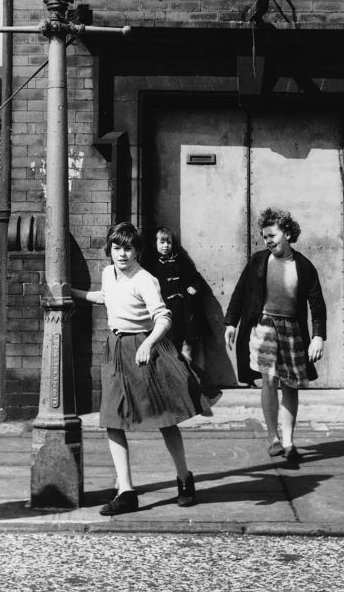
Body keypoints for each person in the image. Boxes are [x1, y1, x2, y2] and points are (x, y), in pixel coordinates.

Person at [71, 221, 213, 516]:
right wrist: (71, 292)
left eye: (128, 248)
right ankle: (126, 491)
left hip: (145, 348)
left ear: (137, 250)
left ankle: (185, 479)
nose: (122, 254)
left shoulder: (145, 279)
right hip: (115, 348)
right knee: (112, 419)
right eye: (116, 248)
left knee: (165, 418)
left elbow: (164, 317)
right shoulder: (108, 273)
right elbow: (105, 298)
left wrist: (148, 344)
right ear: (109, 250)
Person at [224, 208, 326, 465]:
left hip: (292, 329)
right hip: (264, 325)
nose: (268, 241)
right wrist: (231, 323)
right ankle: (273, 439)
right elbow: (240, 292)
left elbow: (317, 304)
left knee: (290, 384)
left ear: (288, 233)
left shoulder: (303, 266)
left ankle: (289, 442)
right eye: (264, 237)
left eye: (272, 235)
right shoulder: (259, 260)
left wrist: (318, 337)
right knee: (269, 380)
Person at [148, 226, 203, 359]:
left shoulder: (181, 261)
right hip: (165, 311)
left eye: (169, 242)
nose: (166, 246)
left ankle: (188, 377)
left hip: (183, 311)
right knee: (167, 348)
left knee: (186, 347)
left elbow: (197, 279)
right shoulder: (151, 264)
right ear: (155, 244)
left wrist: (194, 287)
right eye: (162, 242)